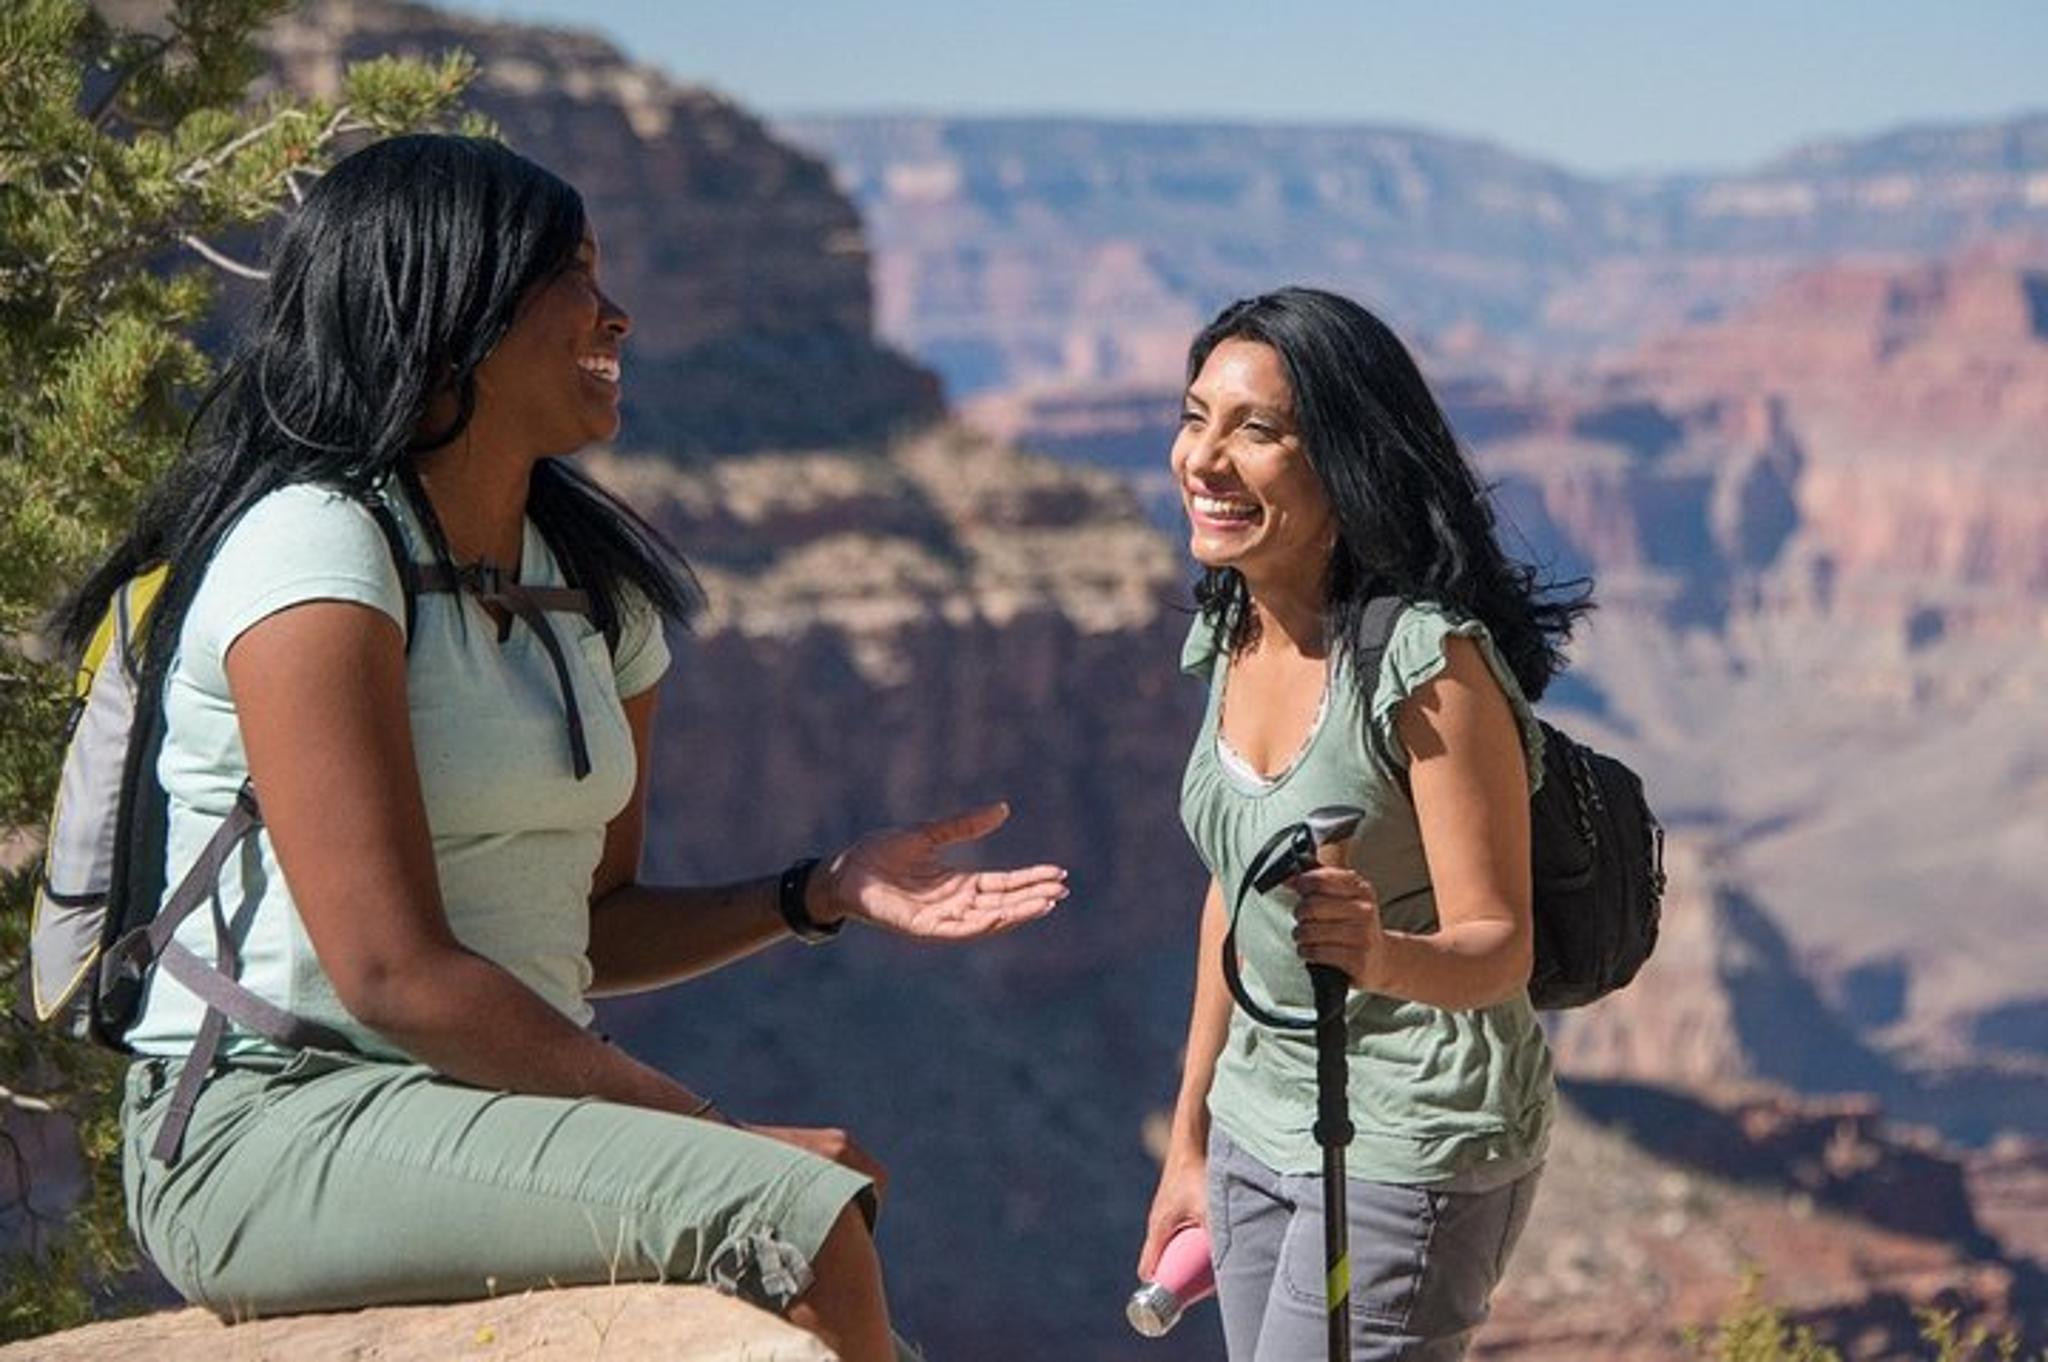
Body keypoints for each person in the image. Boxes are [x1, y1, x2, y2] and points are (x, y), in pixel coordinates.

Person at [58, 134, 1067, 1362]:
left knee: (809, 1215)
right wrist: (709, 1131)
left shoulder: (591, 591)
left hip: (469, 1104)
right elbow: (389, 974)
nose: (619, 314)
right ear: (456, 317)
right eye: (574, 278)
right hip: (268, 1122)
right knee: (788, 1217)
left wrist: (819, 891)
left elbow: (590, 922)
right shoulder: (311, 552)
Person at [1134, 287, 1589, 1361]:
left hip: (1408, 1134)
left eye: (1256, 430)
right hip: (1255, 1119)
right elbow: (1230, 895)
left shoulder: (1428, 665)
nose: (1203, 458)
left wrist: (1375, 953)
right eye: (1194, 416)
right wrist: (1186, 1141)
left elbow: (1498, 946)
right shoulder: (1232, 628)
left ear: (1344, 460)